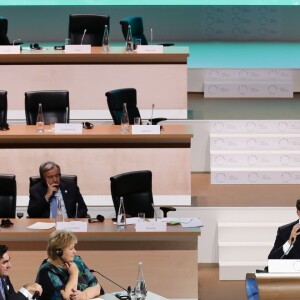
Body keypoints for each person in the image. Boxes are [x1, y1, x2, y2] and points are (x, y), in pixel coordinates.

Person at [246, 199, 300, 300]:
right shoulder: (284, 231)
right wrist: (289, 242)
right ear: (298, 212)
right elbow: (272, 259)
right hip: (290, 281)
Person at [35, 230, 102, 300]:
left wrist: (85, 295)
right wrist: (74, 274)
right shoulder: (47, 272)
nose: (75, 251)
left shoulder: (77, 261)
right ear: (59, 252)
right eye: (71, 248)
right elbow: (68, 298)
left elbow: (97, 287)